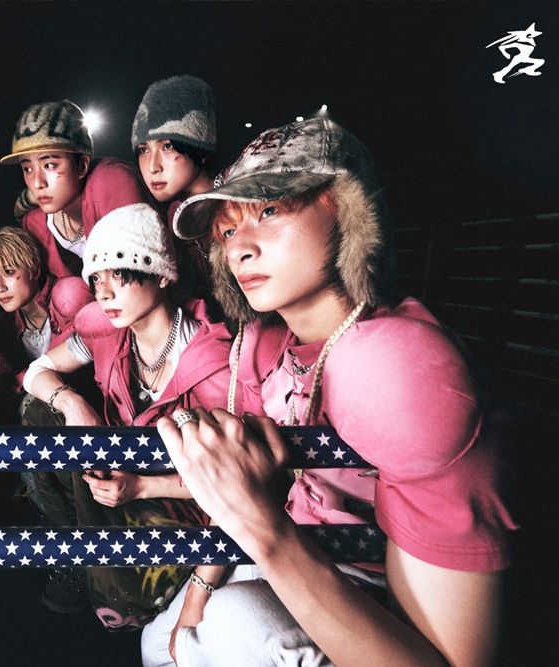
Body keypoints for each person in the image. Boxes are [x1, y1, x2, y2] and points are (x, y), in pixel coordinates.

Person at [142, 119, 517, 666]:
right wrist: (197, 594)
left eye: (270, 210)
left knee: (236, 623)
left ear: (345, 209)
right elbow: (240, 493)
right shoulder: (263, 344)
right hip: (286, 548)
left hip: (370, 602)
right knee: (160, 642)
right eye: (226, 231)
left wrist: (263, 530)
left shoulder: (394, 365)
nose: (239, 248)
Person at [23, 202, 234, 629]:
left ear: (161, 275)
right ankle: (79, 551)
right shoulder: (107, 331)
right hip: (113, 475)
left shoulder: (211, 361)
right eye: (95, 278)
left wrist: (142, 486)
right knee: (40, 411)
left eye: (118, 273)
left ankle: (99, 562)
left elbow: (232, 480)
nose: (103, 293)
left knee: (125, 599)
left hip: (179, 497)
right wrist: (73, 402)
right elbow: (36, 372)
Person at [1, 99, 150, 280]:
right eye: (28, 169)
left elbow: (137, 278)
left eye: (49, 165)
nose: (38, 183)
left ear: (81, 166)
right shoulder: (36, 221)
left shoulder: (110, 181)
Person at [0, 226, 96, 427]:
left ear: (34, 269)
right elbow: (4, 392)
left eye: (8, 272)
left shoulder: (68, 296)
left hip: (94, 405)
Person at [132, 75, 219, 299]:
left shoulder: (239, 201)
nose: (153, 167)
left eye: (168, 146)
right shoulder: (173, 214)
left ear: (199, 145)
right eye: (143, 150)